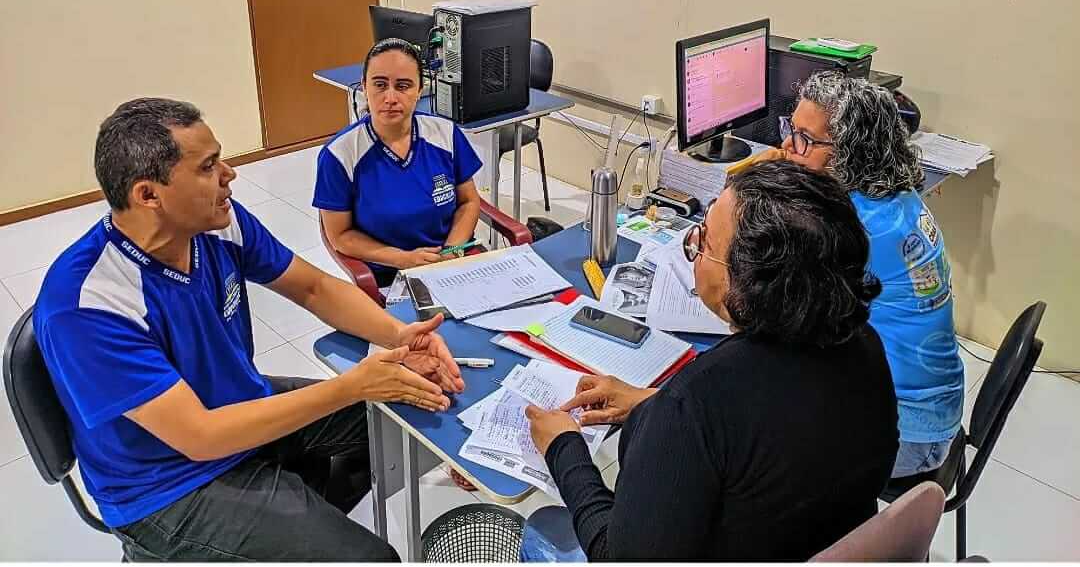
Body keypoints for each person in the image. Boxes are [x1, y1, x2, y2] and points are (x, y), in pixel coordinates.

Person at [34, 98, 466, 561]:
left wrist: (400, 337)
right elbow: (200, 437)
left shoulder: (216, 224)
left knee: (402, 418)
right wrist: (352, 387)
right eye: (207, 167)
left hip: (237, 409)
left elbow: (315, 288)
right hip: (167, 485)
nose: (229, 175)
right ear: (148, 195)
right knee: (371, 559)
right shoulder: (88, 304)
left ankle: (286, 519)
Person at [523, 160, 899, 560]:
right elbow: (760, 432)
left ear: (749, 282)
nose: (694, 252)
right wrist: (649, 403)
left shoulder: (694, 406)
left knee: (542, 530)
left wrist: (564, 448)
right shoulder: (864, 346)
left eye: (704, 245)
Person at [781, 71, 963, 478]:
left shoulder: (855, 228)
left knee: (755, 443)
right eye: (791, 130)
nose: (787, 147)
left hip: (909, 434)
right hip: (930, 407)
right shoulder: (892, 196)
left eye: (804, 140)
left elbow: (783, 317)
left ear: (851, 154)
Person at [314, 37, 484, 288]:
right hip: (389, 275)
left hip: (453, 261)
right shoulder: (340, 154)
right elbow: (339, 236)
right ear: (364, 87)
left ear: (420, 90)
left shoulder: (445, 134)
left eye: (403, 86)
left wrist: (452, 251)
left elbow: (468, 201)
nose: (390, 97)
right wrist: (403, 259)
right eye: (380, 85)